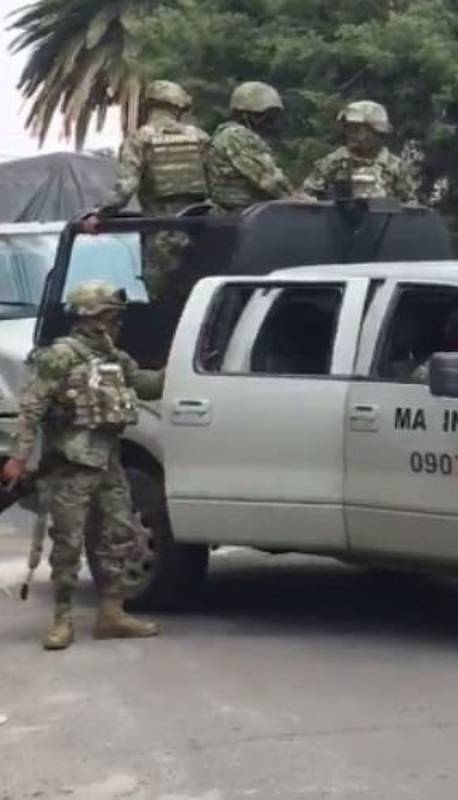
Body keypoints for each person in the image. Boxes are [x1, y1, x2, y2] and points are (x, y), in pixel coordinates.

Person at [1, 282, 164, 650]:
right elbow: (32, 408)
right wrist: (19, 456)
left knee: (120, 534)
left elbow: (144, 384)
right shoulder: (59, 357)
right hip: (71, 464)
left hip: (108, 461)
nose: (116, 322)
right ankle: (62, 620)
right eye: (110, 315)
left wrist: (178, 367)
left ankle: (112, 613)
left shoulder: (114, 357)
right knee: (68, 542)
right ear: (92, 317)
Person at [85, 80, 210, 300]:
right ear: (179, 107)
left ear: (149, 106)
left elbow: (126, 186)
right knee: (198, 297)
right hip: (200, 230)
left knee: (162, 302)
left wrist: (101, 214)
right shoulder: (200, 137)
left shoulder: (140, 138)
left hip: (160, 232)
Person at [205, 82, 295, 213]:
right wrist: (295, 199)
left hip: (249, 214)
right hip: (240, 216)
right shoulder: (235, 136)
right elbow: (267, 180)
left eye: (272, 116)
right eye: (263, 116)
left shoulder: (240, 136)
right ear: (245, 115)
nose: (269, 122)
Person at [301, 101, 419, 201]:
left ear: (376, 132)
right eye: (348, 129)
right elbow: (307, 198)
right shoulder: (333, 162)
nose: (351, 135)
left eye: (357, 130)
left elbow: (411, 207)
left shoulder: (394, 167)